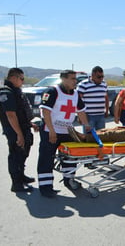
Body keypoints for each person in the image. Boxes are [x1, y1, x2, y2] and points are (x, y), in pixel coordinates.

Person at [37, 70, 90, 198]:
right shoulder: (52, 92)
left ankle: (69, 180)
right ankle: (46, 187)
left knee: (70, 158)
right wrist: (52, 131)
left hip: (67, 131)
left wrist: (87, 127)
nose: (75, 81)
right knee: (47, 159)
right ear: (63, 79)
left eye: (75, 79)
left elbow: (81, 112)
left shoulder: (76, 94)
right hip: (51, 131)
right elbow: (46, 112)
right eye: (72, 79)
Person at [0, 68, 38, 193]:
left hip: (22, 127)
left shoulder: (15, 91)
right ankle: (16, 183)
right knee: (15, 155)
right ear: (13, 77)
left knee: (23, 153)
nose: (23, 81)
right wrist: (19, 134)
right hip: (14, 130)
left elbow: (20, 112)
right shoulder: (6, 92)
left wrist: (29, 123)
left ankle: (21, 176)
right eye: (21, 78)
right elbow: (11, 115)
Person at [77, 66, 109, 130]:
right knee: (89, 137)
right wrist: (80, 116)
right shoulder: (83, 84)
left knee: (101, 136)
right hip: (88, 116)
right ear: (92, 75)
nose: (101, 79)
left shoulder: (104, 84)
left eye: (102, 76)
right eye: (99, 77)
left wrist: (107, 110)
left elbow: (106, 98)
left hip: (101, 115)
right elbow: (78, 101)